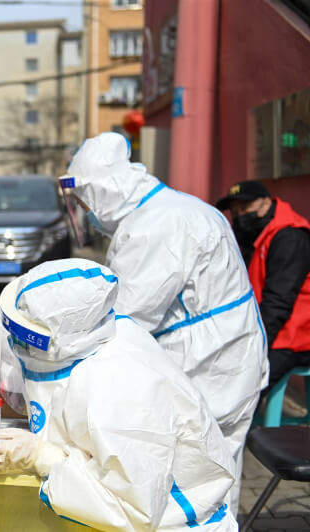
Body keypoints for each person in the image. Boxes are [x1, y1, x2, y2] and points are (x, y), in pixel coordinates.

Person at [0, 259, 236, 531]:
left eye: (25, 336)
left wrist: (43, 458)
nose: (12, 343)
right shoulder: (75, 336)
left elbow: (131, 509)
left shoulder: (123, 387)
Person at [58, 132, 268, 512]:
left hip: (212, 369)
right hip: (226, 361)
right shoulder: (171, 209)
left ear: (105, 188)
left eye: (86, 199)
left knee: (198, 480)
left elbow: (126, 316)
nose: (87, 209)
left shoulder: (157, 225)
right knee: (217, 475)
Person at [216, 181, 310, 393]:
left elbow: (279, 301)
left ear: (267, 203)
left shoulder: (290, 237)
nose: (240, 215)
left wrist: (254, 346)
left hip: (295, 338)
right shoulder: (256, 236)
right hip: (268, 330)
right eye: (235, 211)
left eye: (245, 207)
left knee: (239, 391)